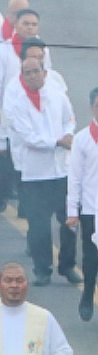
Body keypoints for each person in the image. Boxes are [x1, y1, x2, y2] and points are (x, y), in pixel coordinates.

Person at [5, 57, 78, 286]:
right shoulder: (18, 104)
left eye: (36, 71)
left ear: (44, 73)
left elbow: (70, 120)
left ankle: (67, 265)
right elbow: (28, 138)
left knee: (69, 221)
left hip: (62, 171)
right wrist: (57, 141)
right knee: (39, 225)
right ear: (22, 77)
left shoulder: (58, 97)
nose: (33, 76)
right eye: (27, 73)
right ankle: (42, 269)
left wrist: (67, 135)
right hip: (35, 173)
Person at [0, 263, 72, 355]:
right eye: (8, 280)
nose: (14, 285)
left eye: (19, 280)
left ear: (27, 284)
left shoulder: (44, 318)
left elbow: (63, 351)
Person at [66, 86, 98, 320]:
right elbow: (75, 177)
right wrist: (72, 211)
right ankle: (88, 293)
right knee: (91, 257)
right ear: (91, 107)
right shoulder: (82, 139)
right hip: (91, 208)